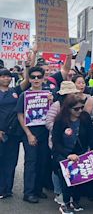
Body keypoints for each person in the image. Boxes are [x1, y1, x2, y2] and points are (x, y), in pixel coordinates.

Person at [51, 94, 93, 213]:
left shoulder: (85, 117)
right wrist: (67, 155)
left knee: (80, 177)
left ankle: (75, 201)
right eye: (76, 109)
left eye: (81, 107)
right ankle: (65, 203)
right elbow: (56, 142)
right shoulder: (60, 120)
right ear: (68, 108)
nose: (80, 111)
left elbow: (91, 135)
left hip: (80, 152)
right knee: (66, 176)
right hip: (63, 153)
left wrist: (92, 150)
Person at [16, 66, 53, 204]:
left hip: (44, 133)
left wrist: (51, 101)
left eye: (39, 77)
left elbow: (53, 112)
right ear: (29, 79)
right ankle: (29, 192)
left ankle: (38, 189)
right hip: (29, 133)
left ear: (43, 79)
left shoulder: (48, 94)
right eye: (33, 77)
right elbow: (20, 115)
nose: (36, 79)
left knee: (42, 162)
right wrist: (29, 134)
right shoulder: (24, 95)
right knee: (31, 163)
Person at [45, 81, 81, 205]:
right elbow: (48, 121)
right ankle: (59, 192)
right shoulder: (57, 105)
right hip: (58, 143)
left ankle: (71, 194)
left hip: (73, 144)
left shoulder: (78, 105)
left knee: (73, 168)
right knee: (58, 168)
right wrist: (60, 130)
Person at [0, 65, 30, 199]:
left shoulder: (15, 91)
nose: (5, 78)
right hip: (1, 132)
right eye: (2, 76)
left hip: (14, 133)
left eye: (7, 76)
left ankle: (7, 189)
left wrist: (28, 65)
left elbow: (27, 80)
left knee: (11, 161)